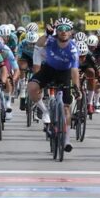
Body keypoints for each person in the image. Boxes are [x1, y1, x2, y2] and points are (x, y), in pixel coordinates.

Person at [28, 18, 80, 153]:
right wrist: (46, 34)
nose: (63, 32)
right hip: (48, 70)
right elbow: (38, 46)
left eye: (66, 29)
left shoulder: (73, 48)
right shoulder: (50, 40)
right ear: (57, 31)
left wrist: (76, 87)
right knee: (32, 88)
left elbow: (74, 70)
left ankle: (67, 139)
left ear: (71, 32)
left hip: (64, 73)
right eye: (61, 29)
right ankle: (45, 111)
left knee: (66, 108)